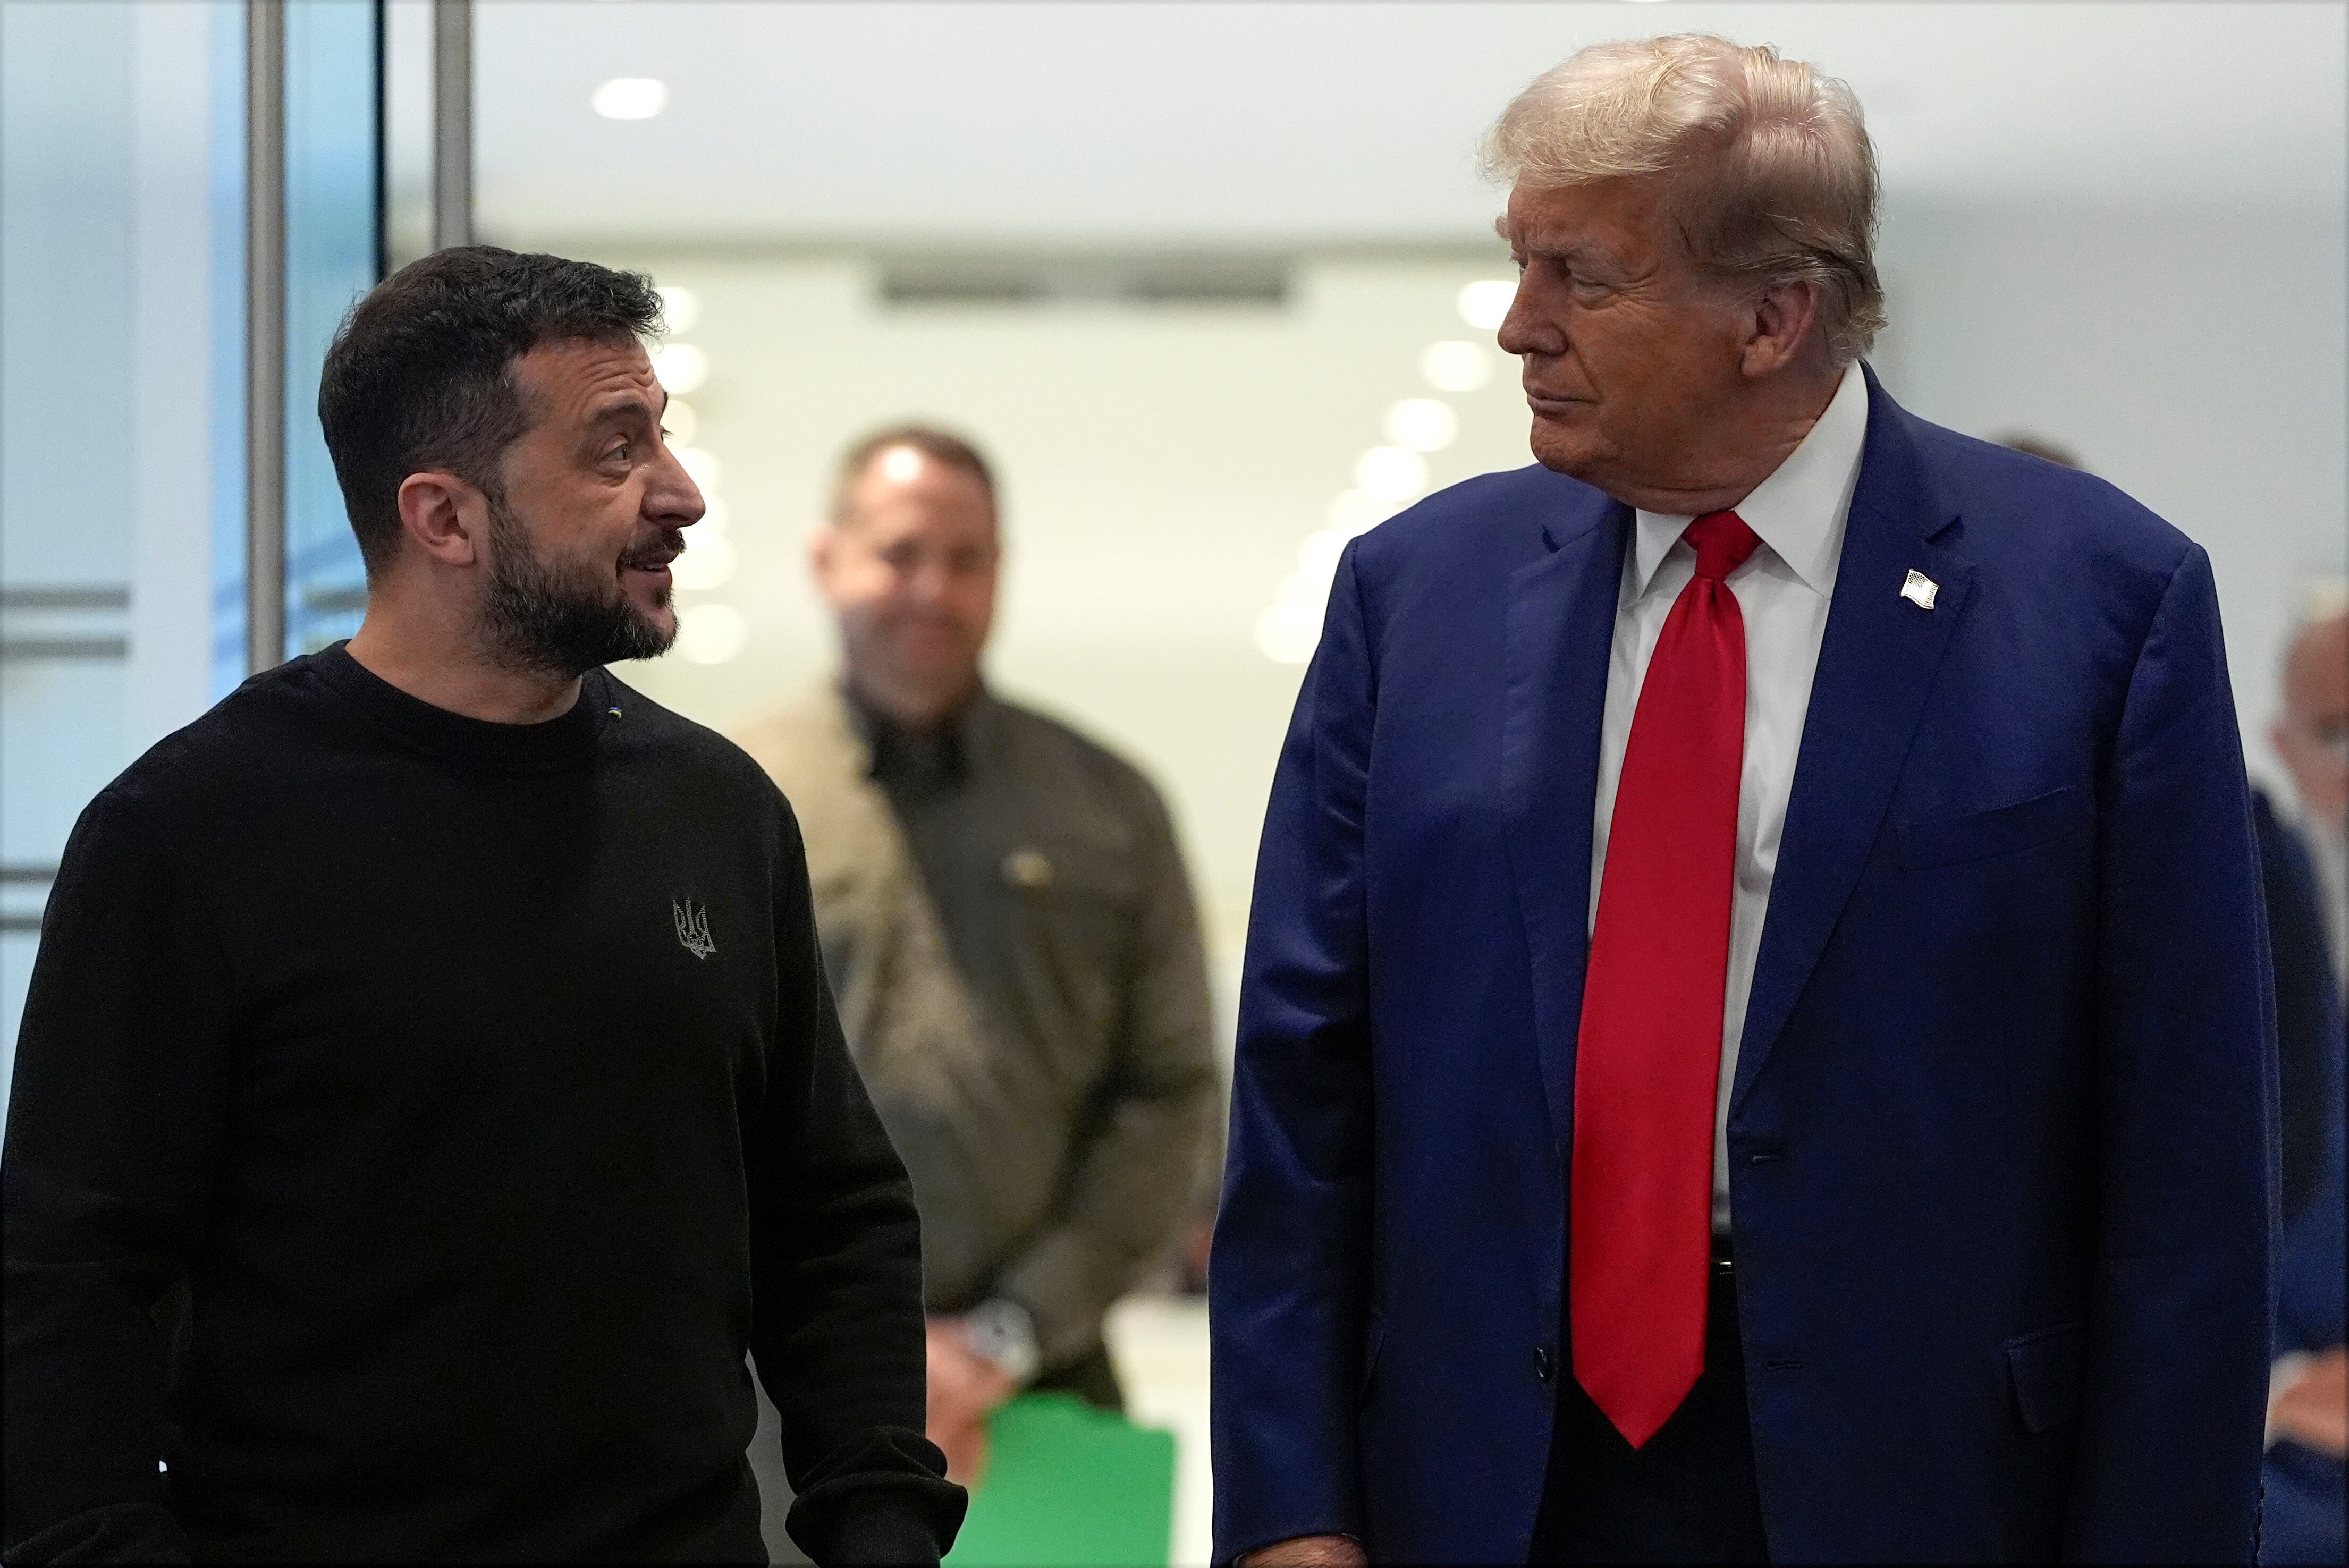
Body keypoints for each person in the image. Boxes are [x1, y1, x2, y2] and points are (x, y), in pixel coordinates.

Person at [1211, 35, 2272, 1566]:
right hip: (1484, 1477)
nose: (1521, 328)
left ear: (1773, 315)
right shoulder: (1412, 600)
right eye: (1520, 265)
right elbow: (1299, 1096)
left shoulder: (2101, 607)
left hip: (1922, 1485)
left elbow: (2185, 1164)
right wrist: (1286, 1514)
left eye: (1581, 276)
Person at [2, 248, 963, 1564]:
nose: (677, 496)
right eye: (615, 451)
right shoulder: (189, 834)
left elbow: (833, 1214)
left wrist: (881, 1522)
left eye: (662, 440)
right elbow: (68, 1284)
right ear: (444, 517)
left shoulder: (719, 811)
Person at [735, 427, 1219, 1487]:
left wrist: (1004, 1335)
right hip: (780, 1404)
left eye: (968, 560)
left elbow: (1169, 1092)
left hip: (1046, 1392)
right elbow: (679, 1107)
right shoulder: (730, 801)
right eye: (901, 553)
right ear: (828, 559)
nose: (933, 591)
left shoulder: (1108, 807)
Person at [2258, 605, 2347, 1565]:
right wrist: (2282, 1386)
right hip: (2285, 1446)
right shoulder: (2235, 931)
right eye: (2336, 730)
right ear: (2286, 746)